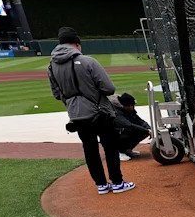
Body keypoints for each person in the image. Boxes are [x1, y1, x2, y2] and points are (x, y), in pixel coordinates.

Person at [48, 27, 133, 194]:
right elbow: (108, 88)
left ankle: (101, 185)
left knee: (89, 149)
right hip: (99, 111)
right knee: (110, 146)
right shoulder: (87, 61)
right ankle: (117, 182)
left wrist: (73, 101)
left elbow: (57, 94)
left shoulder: (51, 66)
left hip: (76, 115)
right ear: (77, 44)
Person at [111, 92, 151, 161]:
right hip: (112, 135)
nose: (133, 107)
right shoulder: (116, 112)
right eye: (132, 105)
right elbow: (128, 125)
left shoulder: (129, 109)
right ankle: (119, 152)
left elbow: (140, 121)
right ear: (128, 106)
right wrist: (146, 130)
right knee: (131, 130)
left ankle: (127, 151)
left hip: (121, 131)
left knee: (143, 132)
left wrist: (148, 128)